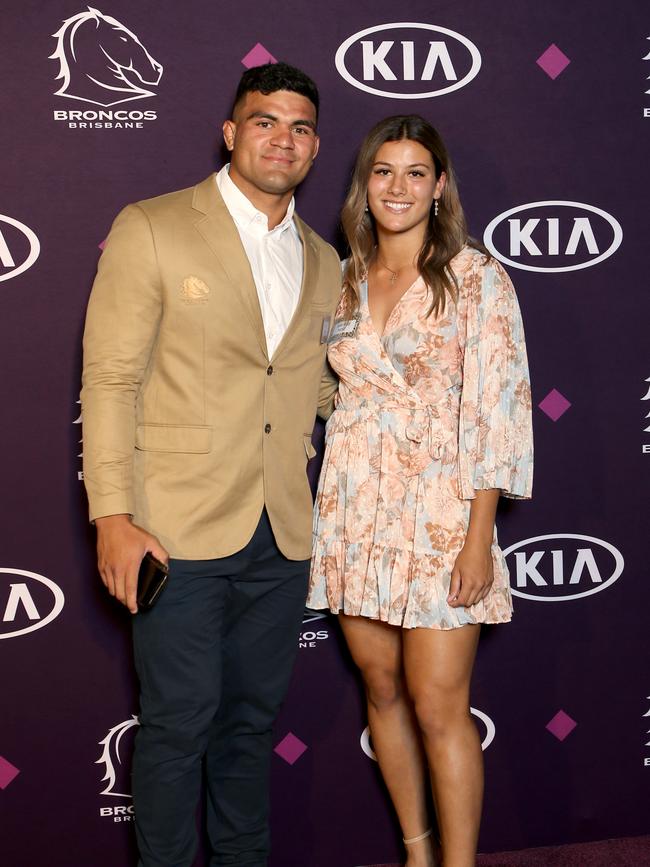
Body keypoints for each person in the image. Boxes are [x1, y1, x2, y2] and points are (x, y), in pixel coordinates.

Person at [81, 62, 340, 867]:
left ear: (314, 146)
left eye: (299, 126)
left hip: (281, 532)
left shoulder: (327, 260)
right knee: (177, 724)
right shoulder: (153, 225)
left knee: (250, 726)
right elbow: (111, 379)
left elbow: (321, 394)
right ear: (231, 132)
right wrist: (112, 516)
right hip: (174, 527)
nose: (282, 138)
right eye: (265, 120)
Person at [308, 116, 533, 867]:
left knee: (441, 704)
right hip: (353, 508)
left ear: (439, 187)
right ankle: (417, 851)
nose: (396, 187)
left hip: (441, 513)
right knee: (381, 690)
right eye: (383, 171)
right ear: (363, 184)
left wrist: (478, 534)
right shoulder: (340, 275)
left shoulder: (477, 277)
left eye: (414, 173)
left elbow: (498, 410)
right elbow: (318, 390)